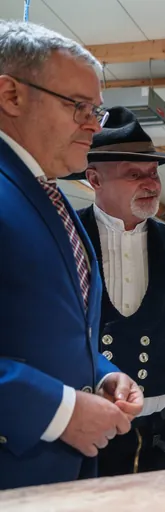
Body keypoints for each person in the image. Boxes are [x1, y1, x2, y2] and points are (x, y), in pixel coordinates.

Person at [0, 21, 143, 489]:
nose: (94, 125)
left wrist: (99, 375)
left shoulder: (48, 193)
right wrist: (58, 411)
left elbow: (39, 327)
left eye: (96, 110)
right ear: (11, 95)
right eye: (78, 105)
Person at [71, 106, 165, 475]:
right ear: (94, 179)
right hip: (81, 426)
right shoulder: (67, 236)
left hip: (155, 428)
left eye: (153, 173)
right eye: (134, 174)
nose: (150, 184)